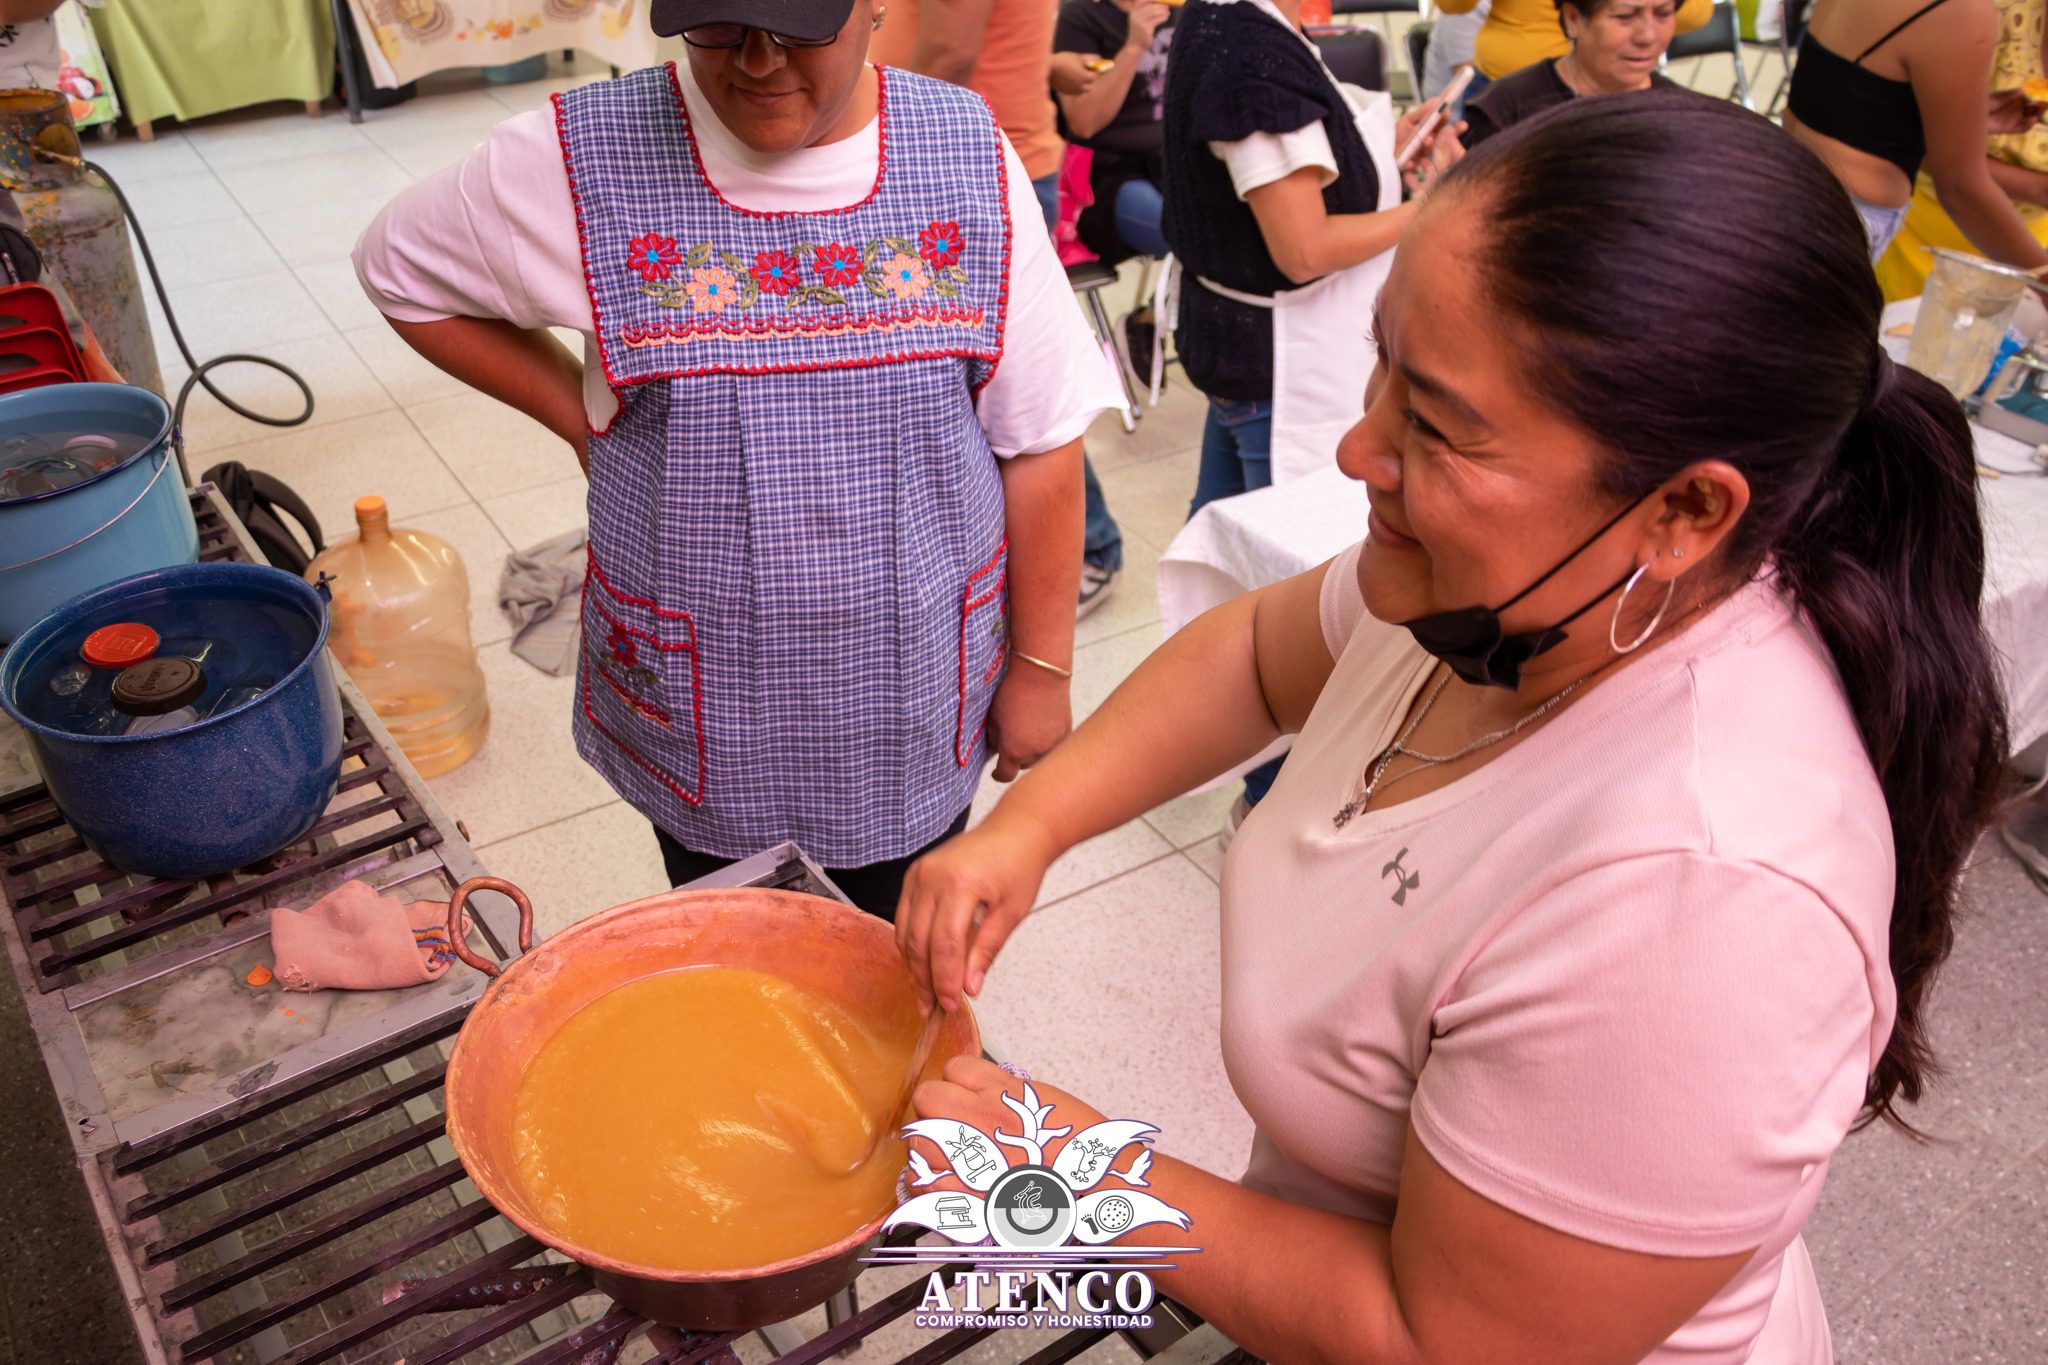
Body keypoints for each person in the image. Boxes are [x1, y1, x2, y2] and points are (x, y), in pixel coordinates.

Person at [898, 92, 2007, 1361]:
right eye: (1383, 366)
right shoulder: (1504, 585)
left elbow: (1443, 1339)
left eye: (1435, 426)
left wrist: (1063, 1178)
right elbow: (1260, 657)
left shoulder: (1703, 900)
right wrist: (1029, 828)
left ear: (1683, 510)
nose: (1361, 448)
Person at [353, 0, 1123, 918]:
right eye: (718, 24)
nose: (757, 62)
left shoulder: (966, 159)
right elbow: (398, 268)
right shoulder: (584, 157)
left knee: (894, 934)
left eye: (798, 28)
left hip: (910, 687)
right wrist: (577, 412)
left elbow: (1039, 441)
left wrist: (1041, 670)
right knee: (733, 923)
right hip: (706, 691)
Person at [1162, 0, 1454, 829]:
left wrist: (1386, 155)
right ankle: (1276, 801)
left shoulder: (1233, 22)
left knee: (1226, 571)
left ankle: (1245, 775)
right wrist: (1441, 204)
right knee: (1290, 594)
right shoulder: (1248, 54)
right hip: (1279, 365)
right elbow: (1303, 248)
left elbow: (1292, 180)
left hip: (1241, 353)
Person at [873, 0, 1129, 619]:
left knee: (1010, 388)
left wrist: (877, 155)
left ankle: (1089, 547)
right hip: (981, 152)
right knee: (1003, 382)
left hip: (960, 164)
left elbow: (950, 55)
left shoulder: (944, 137)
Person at [1788, 0, 2048, 266]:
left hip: (1790, 184)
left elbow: (1844, 89)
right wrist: (2042, 273)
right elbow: (1961, 190)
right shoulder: (1963, 10)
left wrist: (1961, 119)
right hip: (1843, 221)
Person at [1872, 0, 2048, 299]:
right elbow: (1906, 133)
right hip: (1921, 228)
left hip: (2027, 242)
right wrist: (2037, 189)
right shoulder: (1984, 16)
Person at [1461, 0, 1683, 148]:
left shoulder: (1685, 113)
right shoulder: (1505, 114)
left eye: (1663, 14)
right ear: (1573, 18)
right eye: (1624, 16)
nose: (1647, 36)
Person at [1434, 0, 1708, 91]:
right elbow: (1452, 4)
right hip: (1504, 88)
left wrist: (1626, 10)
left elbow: (1695, 11)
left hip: (1610, 89)